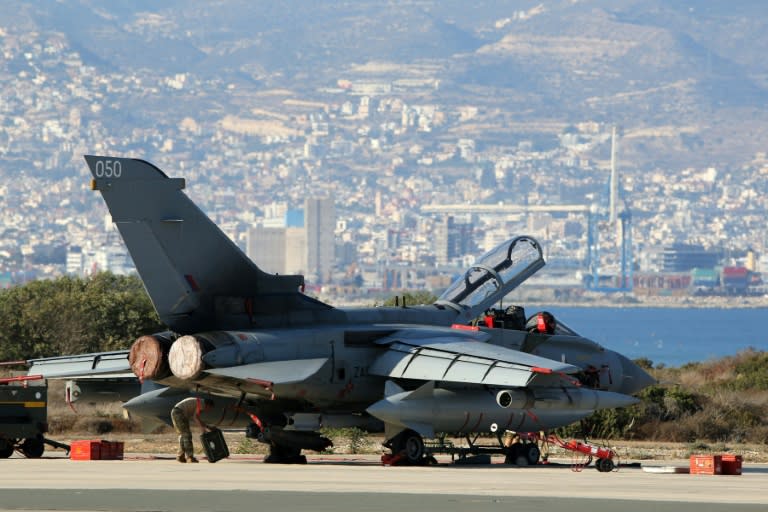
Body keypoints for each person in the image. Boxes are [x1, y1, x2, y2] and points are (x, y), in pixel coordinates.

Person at [171, 397, 210, 463]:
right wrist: (202, 429)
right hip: (179, 413)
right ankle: (190, 457)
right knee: (187, 435)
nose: (208, 410)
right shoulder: (202, 404)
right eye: (209, 408)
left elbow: (196, 417)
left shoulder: (199, 401)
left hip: (176, 412)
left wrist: (206, 426)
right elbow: (195, 418)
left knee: (183, 435)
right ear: (208, 405)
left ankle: (180, 456)